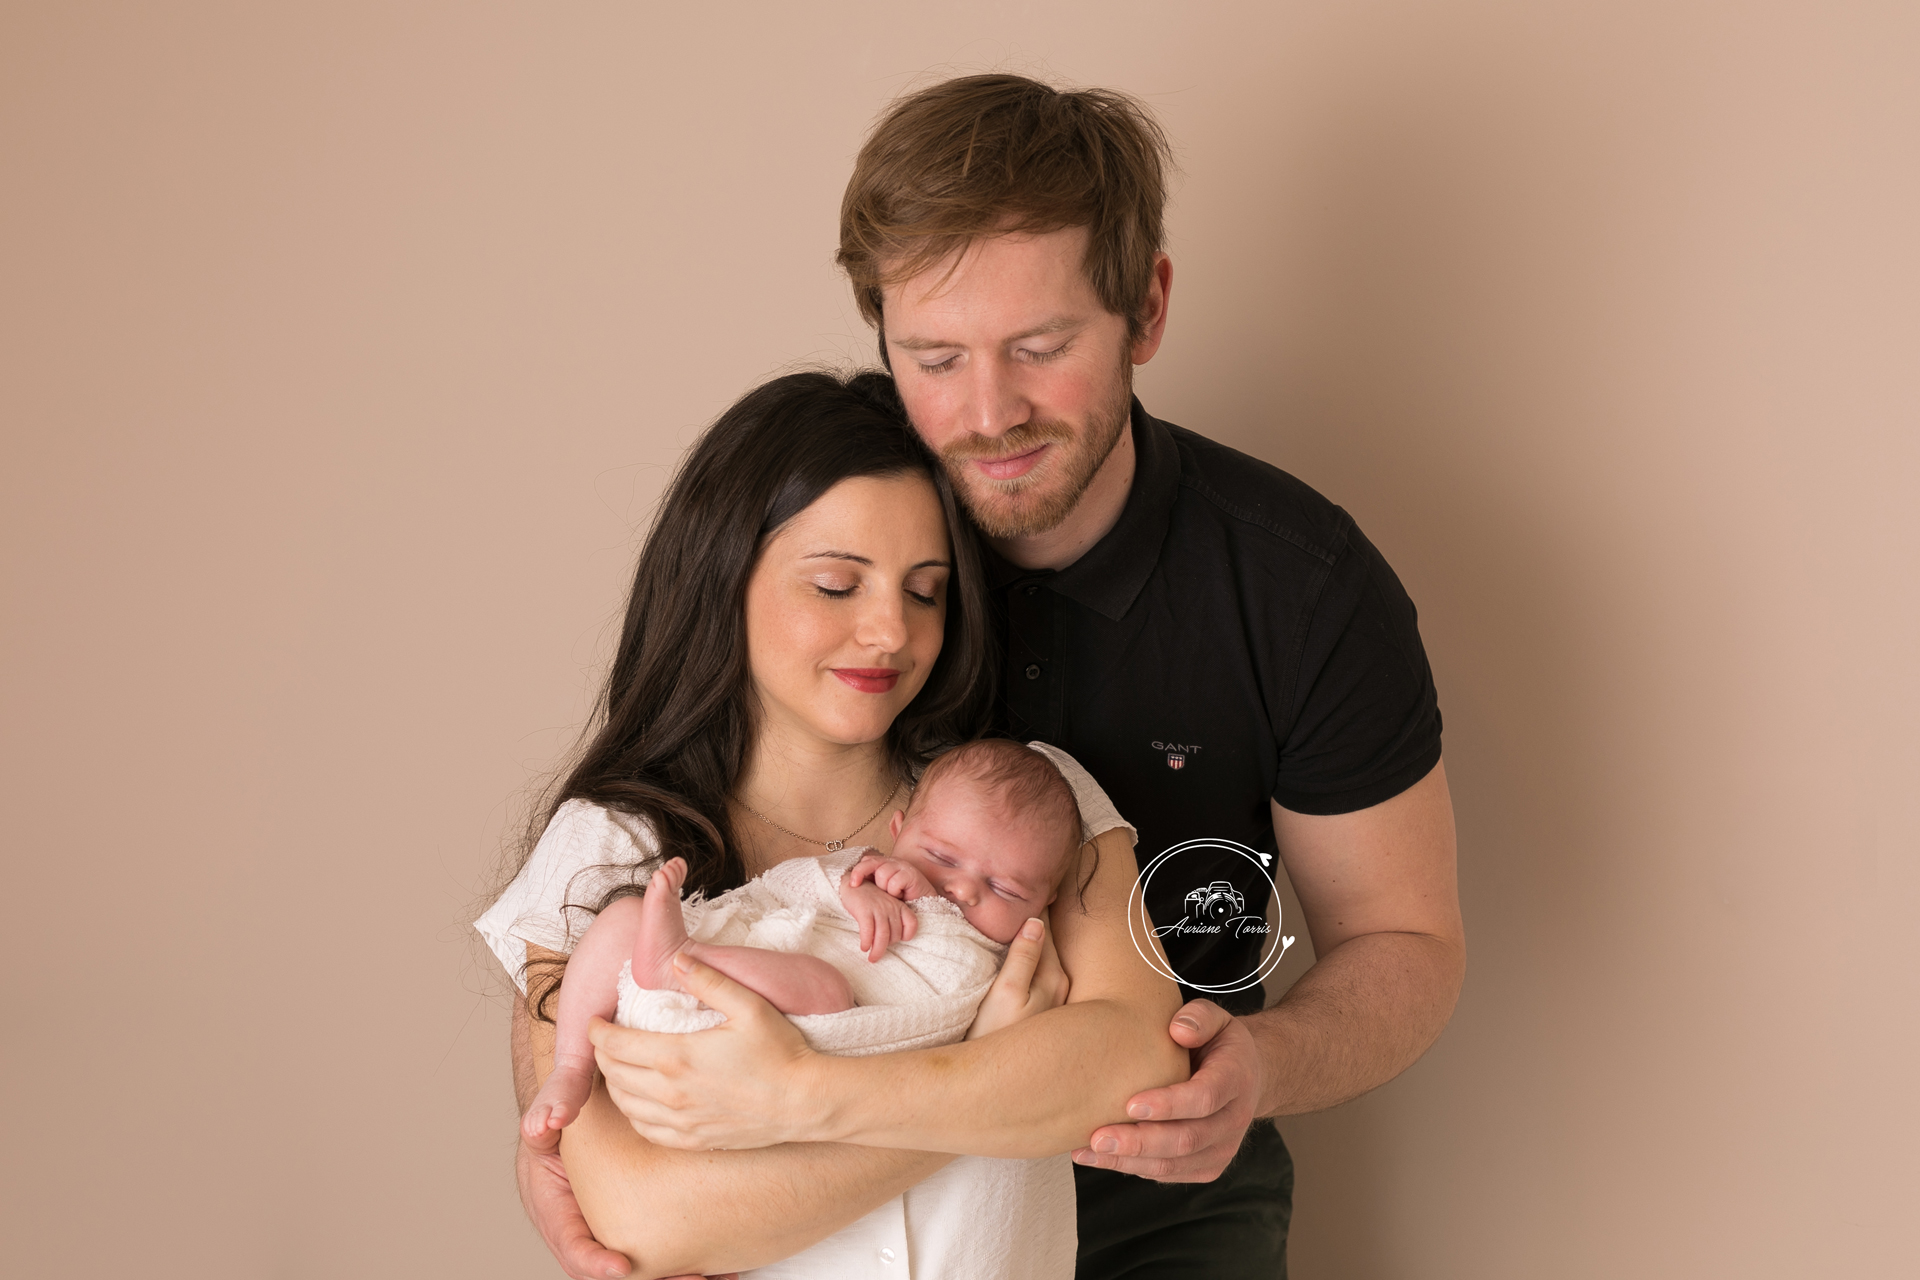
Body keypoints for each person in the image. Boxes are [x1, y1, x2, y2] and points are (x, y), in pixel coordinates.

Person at [541, 75, 1467, 1279]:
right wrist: (555, 1114)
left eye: (1042, 347)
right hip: (806, 1186)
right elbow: (621, 850)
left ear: (1147, 309)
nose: (987, 412)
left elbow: (1403, 936)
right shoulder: (840, 544)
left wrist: (1259, 1062)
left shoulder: (1299, 585)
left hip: (1156, 1172)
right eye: (933, 355)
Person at [485, 368, 1191, 1280]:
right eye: (835, 585)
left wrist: (805, 1097)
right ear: (723, 577)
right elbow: (647, 1221)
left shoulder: (1030, 799)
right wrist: (990, 1072)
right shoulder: (609, 845)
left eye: (925, 591)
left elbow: (1136, 1063)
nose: (891, 632)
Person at [518, 738, 1086, 1147]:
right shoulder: (866, 869)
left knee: (827, 987)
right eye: (940, 857)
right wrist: (854, 889)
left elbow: (959, 1009)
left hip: (801, 1037)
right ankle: (571, 1062)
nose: (960, 888)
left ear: (1046, 904)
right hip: (702, 996)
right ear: (898, 830)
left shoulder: (999, 956)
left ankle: (683, 962)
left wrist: (928, 908)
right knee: (622, 917)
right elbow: (788, 889)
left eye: (1005, 888)